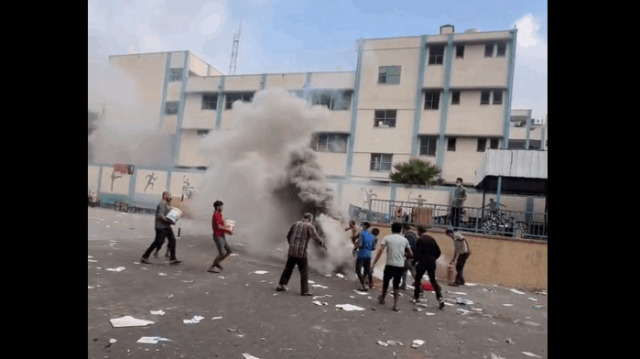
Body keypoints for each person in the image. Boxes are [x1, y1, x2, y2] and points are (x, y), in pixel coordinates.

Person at [276, 213, 326, 296]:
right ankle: (304, 291)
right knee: (304, 271)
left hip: (292, 252)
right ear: (310, 219)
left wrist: (291, 244)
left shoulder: (295, 224)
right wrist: (322, 244)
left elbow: (288, 236)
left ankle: (281, 285)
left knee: (288, 269)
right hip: (301, 253)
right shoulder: (309, 226)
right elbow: (316, 237)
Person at [372, 222, 413, 312]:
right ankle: (395, 305)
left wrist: (374, 263)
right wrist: (403, 255)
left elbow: (380, 251)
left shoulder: (387, 238)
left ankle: (382, 299)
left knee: (386, 283)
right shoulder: (404, 240)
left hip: (389, 265)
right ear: (400, 229)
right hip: (399, 265)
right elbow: (411, 254)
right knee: (396, 285)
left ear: (392, 229)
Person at [140, 191, 182, 265]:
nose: (170, 198)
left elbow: (169, 214)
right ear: (165, 196)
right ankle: (144, 257)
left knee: (172, 240)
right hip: (161, 227)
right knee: (157, 242)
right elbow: (160, 216)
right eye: (169, 196)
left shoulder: (166, 205)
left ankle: (173, 259)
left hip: (166, 226)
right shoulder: (162, 204)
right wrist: (169, 221)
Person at [412, 225, 445, 309]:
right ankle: (440, 298)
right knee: (433, 280)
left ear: (419, 231)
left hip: (422, 262)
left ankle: (416, 297)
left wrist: (414, 262)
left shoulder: (419, 240)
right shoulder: (431, 239)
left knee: (417, 279)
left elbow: (417, 253)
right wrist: (433, 258)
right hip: (431, 263)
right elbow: (439, 251)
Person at [208, 200, 234, 273]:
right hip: (218, 236)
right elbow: (219, 226)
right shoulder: (216, 215)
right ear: (217, 207)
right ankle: (213, 266)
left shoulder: (219, 214)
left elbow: (221, 224)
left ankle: (216, 263)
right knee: (222, 253)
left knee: (229, 251)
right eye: (221, 206)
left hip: (221, 235)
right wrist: (228, 230)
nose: (222, 208)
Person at [354, 222, 375, 291]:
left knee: (358, 270)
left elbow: (360, 244)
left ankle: (364, 286)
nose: (362, 226)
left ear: (365, 226)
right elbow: (373, 248)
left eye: (362, 225)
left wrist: (355, 248)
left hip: (361, 254)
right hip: (368, 254)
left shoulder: (362, 233)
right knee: (367, 270)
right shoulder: (371, 236)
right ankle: (370, 283)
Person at [399, 223, 418, 290]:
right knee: (408, 269)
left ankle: (405, 284)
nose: (402, 230)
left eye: (402, 229)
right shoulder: (413, 234)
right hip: (413, 256)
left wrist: (405, 253)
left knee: (409, 269)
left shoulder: (408, 235)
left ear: (404, 228)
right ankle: (417, 284)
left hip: (410, 255)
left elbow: (408, 246)